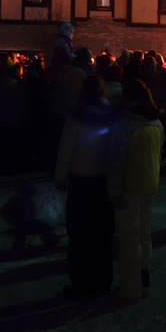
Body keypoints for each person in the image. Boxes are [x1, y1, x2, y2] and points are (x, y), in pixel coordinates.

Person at [55, 75, 116, 296]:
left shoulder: (77, 116)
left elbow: (66, 150)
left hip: (81, 181)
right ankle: (103, 281)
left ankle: (81, 283)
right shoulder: (112, 115)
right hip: (104, 181)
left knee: (79, 236)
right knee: (102, 234)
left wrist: (60, 177)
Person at [109, 79, 164, 303]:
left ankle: (131, 287)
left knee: (128, 239)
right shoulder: (157, 123)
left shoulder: (124, 125)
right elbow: (159, 152)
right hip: (149, 183)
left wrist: (115, 189)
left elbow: (116, 160)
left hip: (129, 186)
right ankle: (144, 275)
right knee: (144, 232)